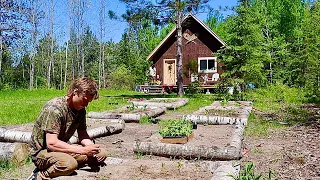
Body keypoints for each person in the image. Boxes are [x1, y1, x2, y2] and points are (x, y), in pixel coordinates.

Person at [28, 77, 107, 180]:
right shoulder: (55, 109)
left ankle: (63, 166)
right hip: (42, 153)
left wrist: (92, 148)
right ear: (75, 92)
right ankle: (40, 175)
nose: (86, 105)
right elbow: (51, 143)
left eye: (89, 102)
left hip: (61, 149)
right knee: (69, 164)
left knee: (102, 153)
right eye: (84, 100)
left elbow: (82, 134)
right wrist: (83, 150)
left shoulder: (81, 110)